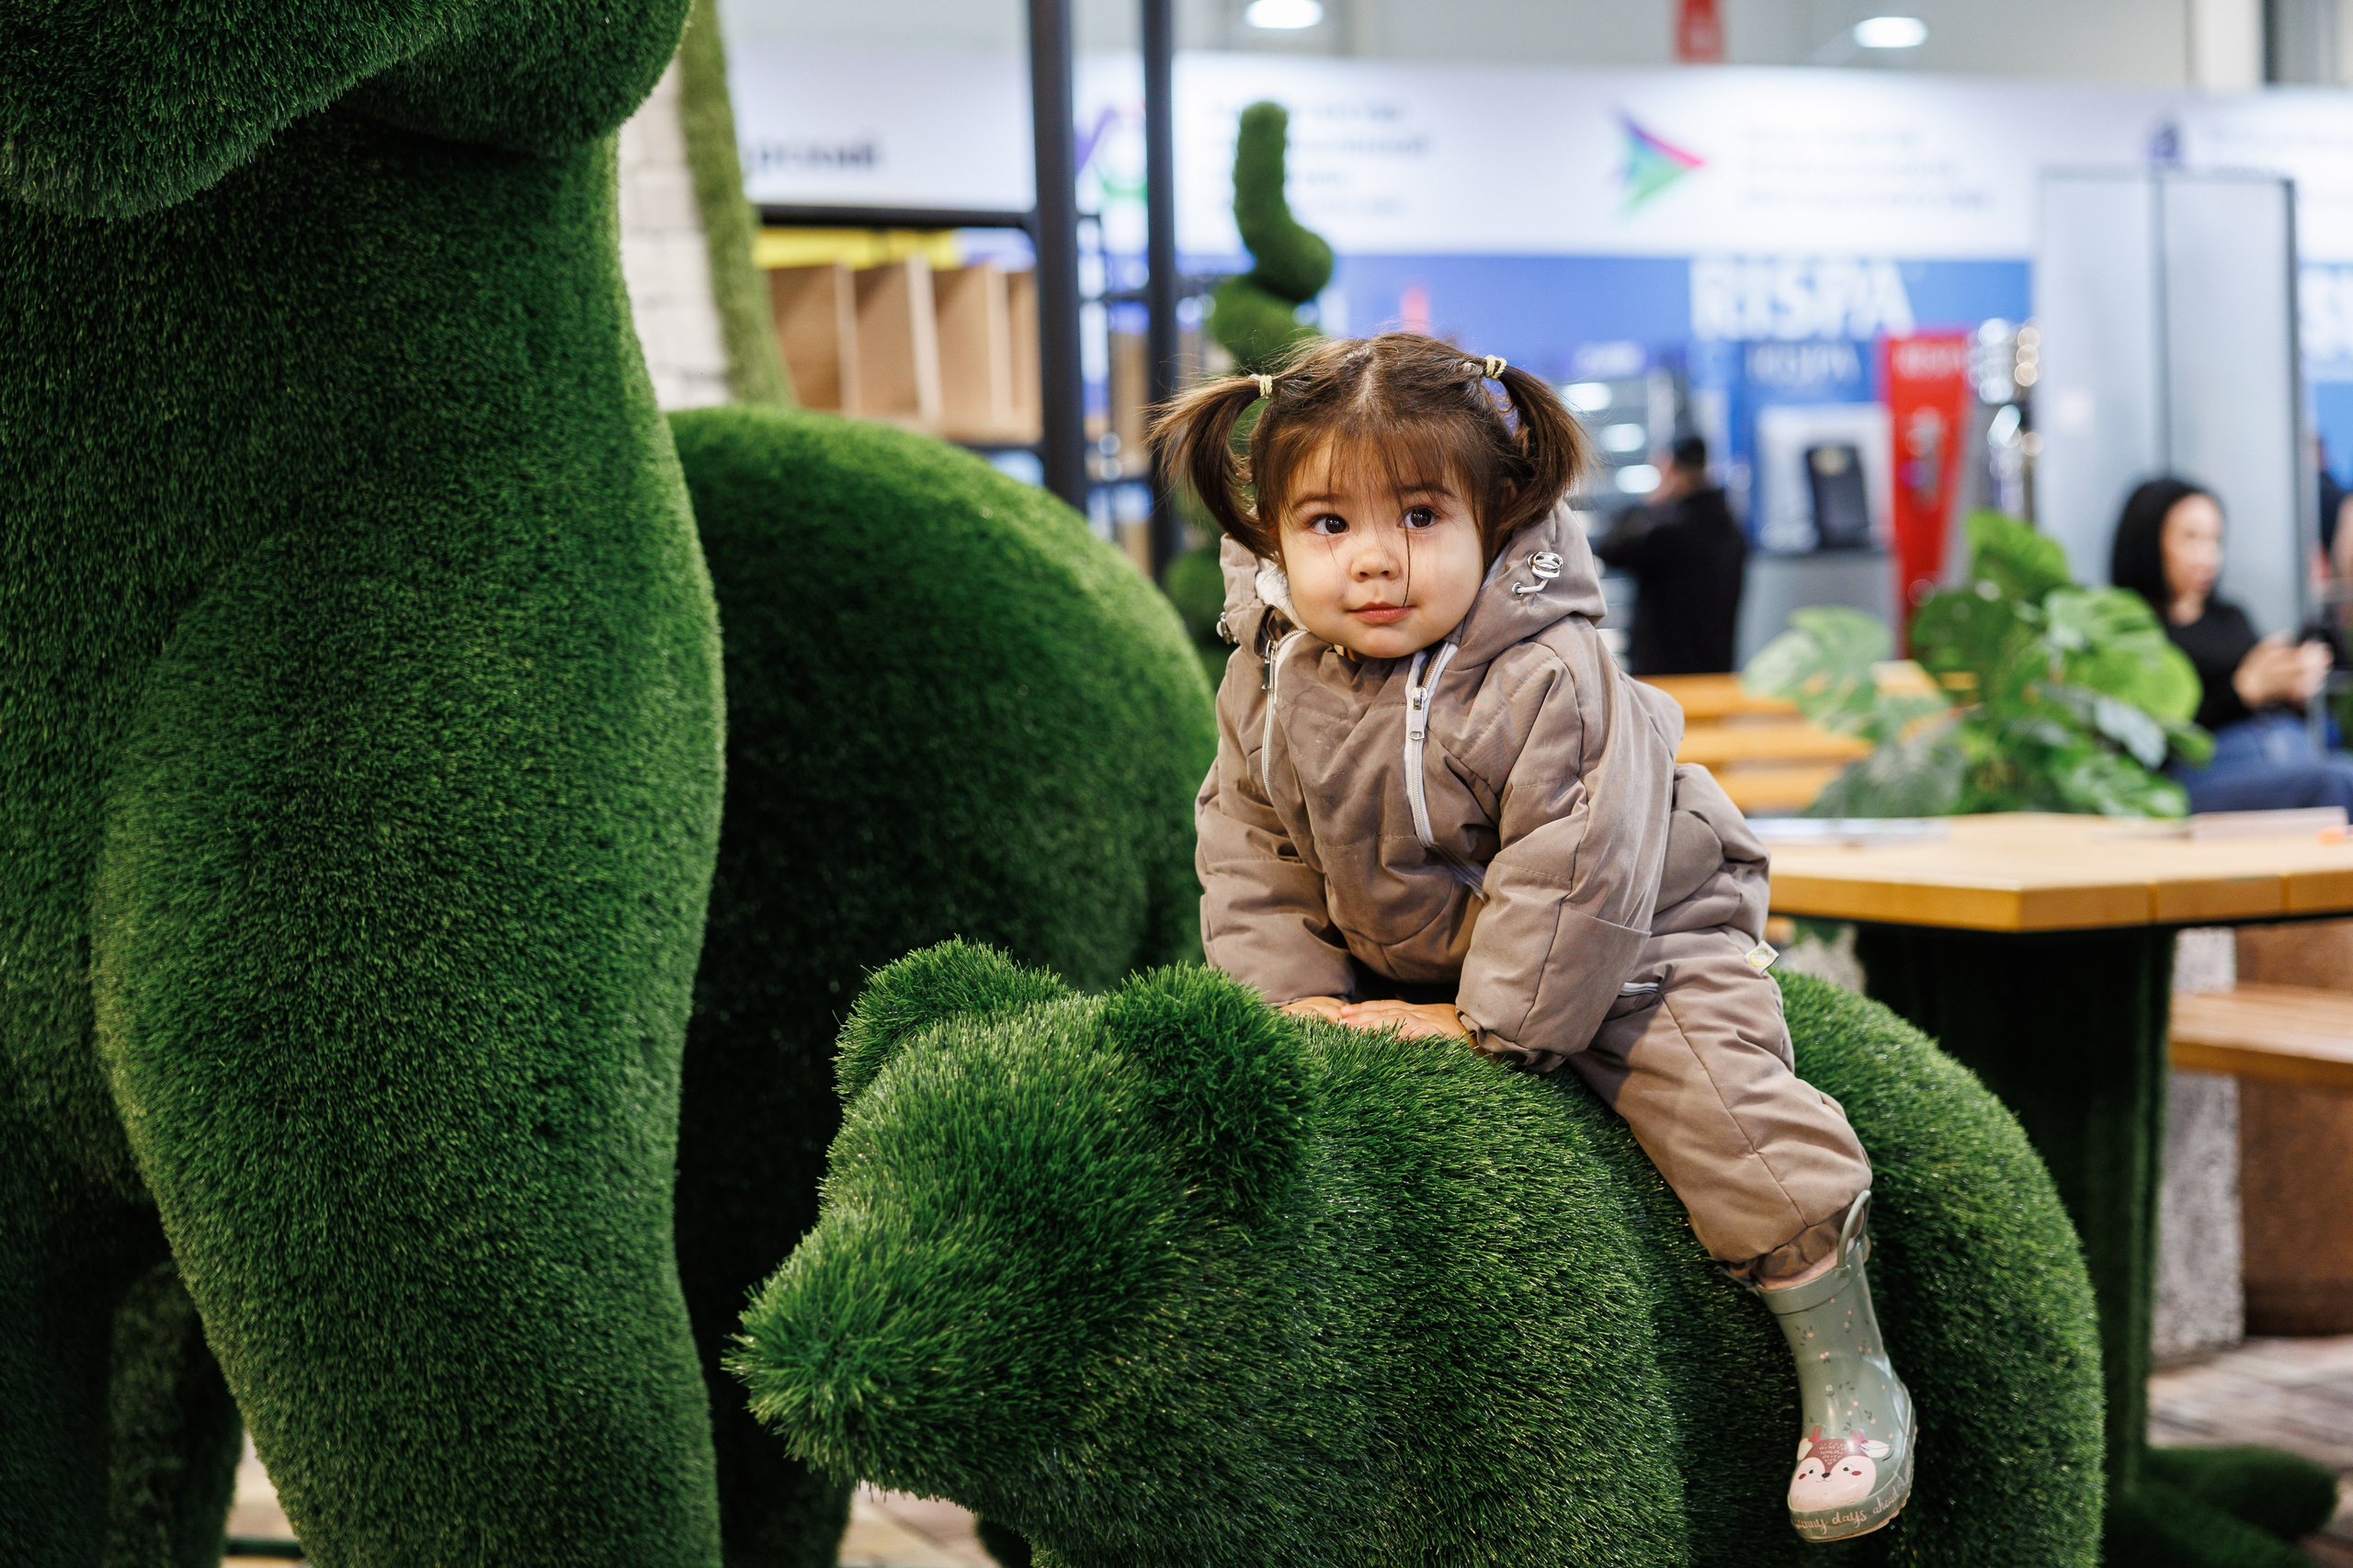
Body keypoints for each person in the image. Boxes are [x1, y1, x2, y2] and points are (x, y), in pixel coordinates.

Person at [1153, 334, 1913, 1544]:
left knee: (1716, 1103)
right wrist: (1292, 999)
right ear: (1273, 534)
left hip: (1631, 931)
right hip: (1416, 943)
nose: (1377, 559)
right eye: (1329, 523)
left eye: (1418, 512)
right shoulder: (1269, 679)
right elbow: (1251, 852)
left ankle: (1845, 1357)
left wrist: (1489, 1024)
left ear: (1495, 514)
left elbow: (1579, 865)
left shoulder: (1549, 673)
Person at [2110, 477, 2353, 812]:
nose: (2207, 556)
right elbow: (2146, 740)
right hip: (2204, 776)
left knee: (2337, 778)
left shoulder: (2229, 616)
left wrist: (2291, 681)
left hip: (2288, 753)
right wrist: (2241, 691)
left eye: (2215, 540)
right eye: (2191, 538)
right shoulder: (2128, 628)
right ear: (2148, 539)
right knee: (2337, 783)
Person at [1592, 433, 1749, 676]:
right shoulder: (1729, 527)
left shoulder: (1666, 530)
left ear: (1672, 469)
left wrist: (1650, 505)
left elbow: (1610, 550)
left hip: (1663, 672)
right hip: (1716, 667)